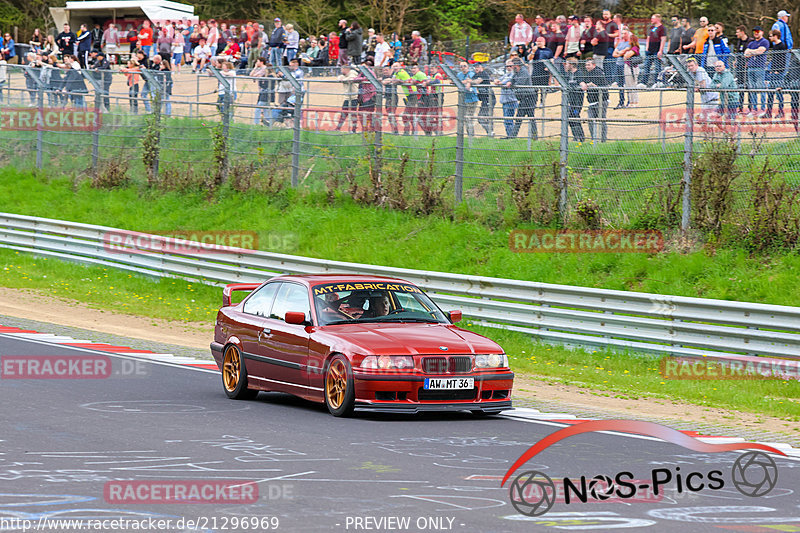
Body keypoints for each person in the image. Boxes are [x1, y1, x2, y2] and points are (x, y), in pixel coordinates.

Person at [580, 57, 609, 142]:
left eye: (589, 65)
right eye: (586, 65)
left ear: (594, 65)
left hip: (601, 100)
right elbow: (584, 81)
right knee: (590, 120)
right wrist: (584, 83)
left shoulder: (598, 72)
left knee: (602, 120)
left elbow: (599, 85)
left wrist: (589, 85)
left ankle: (603, 139)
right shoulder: (588, 73)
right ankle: (594, 139)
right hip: (592, 101)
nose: (587, 66)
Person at [745, 26, 769, 116]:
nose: (756, 33)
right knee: (752, 89)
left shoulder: (764, 41)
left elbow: (761, 51)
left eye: (758, 31)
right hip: (750, 68)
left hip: (759, 67)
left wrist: (751, 52)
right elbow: (746, 54)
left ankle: (762, 109)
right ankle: (754, 109)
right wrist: (754, 51)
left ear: (762, 32)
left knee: (761, 88)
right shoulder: (752, 43)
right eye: (754, 31)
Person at [766, 29, 788, 118]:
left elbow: (783, 61)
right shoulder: (775, 46)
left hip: (778, 73)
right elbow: (774, 60)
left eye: (771, 36)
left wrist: (778, 71)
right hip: (773, 73)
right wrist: (771, 70)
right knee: (770, 94)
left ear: (775, 36)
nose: (769, 38)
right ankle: (769, 112)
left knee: (779, 93)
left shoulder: (782, 46)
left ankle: (781, 111)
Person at [639, 14, 665, 87]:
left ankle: (657, 82)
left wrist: (660, 50)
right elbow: (648, 38)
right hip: (649, 51)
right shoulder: (651, 27)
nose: (651, 20)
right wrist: (647, 48)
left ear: (658, 19)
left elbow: (663, 39)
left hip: (656, 51)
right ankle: (644, 82)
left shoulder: (662, 28)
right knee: (646, 66)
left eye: (653, 18)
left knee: (657, 67)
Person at [494, 60, 518, 138]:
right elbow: (498, 80)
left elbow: (505, 82)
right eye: (507, 66)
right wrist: (497, 81)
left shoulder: (514, 74)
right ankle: (509, 135)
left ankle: (511, 136)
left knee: (509, 120)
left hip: (511, 100)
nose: (508, 68)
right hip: (505, 100)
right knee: (506, 120)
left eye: (510, 66)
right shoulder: (506, 74)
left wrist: (501, 83)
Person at [456, 61, 479, 137]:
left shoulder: (472, 74)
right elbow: (453, 81)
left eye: (464, 66)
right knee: (464, 118)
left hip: (472, 98)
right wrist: (464, 82)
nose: (463, 68)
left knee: (469, 117)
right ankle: (469, 135)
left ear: (468, 66)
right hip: (463, 99)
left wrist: (462, 82)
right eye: (461, 66)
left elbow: (473, 81)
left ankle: (471, 135)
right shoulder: (459, 74)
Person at [563, 58, 585, 141]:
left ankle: (580, 137)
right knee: (570, 118)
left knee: (575, 117)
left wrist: (583, 85)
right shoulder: (568, 74)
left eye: (567, 63)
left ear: (571, 65)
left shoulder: (578, 73)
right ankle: (577, 136)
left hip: (577, 101)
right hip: (570, 100)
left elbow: (582, 83)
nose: (566, 65)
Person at [473, 62, 495, 136]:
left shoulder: (484, 73)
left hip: (489, 98)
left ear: (481, 67)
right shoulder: (476, 74)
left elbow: (477, 81)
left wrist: (470, 82)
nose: (476, 68)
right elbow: (470, 79)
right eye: (475, 67)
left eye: (478, 67)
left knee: (484, 117)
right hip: (484, 99)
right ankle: (490, 132)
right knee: (482, 117)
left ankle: (490, 132)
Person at [336, 64, 359, 132]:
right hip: (347, 97)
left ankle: (354, 129)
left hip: (353, 97)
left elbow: (351, 79)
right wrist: (342, 79)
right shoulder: (344, 75)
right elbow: (339, 78)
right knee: (343, 113)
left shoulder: (353, 73)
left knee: (353, 114)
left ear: (346, 69)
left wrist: (343, 80)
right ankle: (338, 128)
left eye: (342, 69)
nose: (341, 70)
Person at [612, 27, 631, 108]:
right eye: (622, 33)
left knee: (628, 84)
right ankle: (621, 101)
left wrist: (619, 53)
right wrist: (621, 53)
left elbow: (626, 52)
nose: (623, 35)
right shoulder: (620, 44)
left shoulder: (630, 43)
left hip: (626, 66)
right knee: (620, 84)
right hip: (619, 65)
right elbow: (614, 54)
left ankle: (629, 101)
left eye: (625, 33)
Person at [624, 33, 641, 107]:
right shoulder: (630, 48)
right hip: (628, 66)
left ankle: (635, 101)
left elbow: (627, 56)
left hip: (632, 68)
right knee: (628, 85)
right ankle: (631, 101)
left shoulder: (634, 48)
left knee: (632, 84)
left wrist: (625, 52)